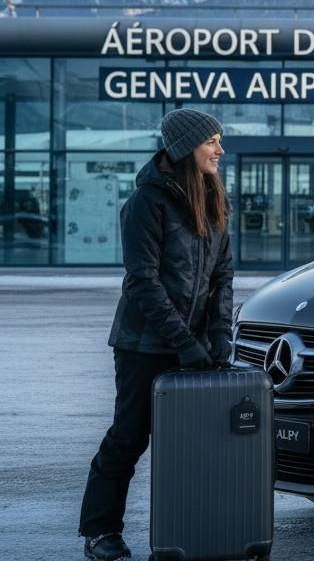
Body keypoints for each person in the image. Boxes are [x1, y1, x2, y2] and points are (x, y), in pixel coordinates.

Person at [78, 109, 233, 561]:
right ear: (187, 147)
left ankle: (191, 528)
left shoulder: (213, 196)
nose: (220, 150)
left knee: (196, 445)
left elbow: (223, 276)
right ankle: (100, 531)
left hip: (199, 347)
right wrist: (182, 341)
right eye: (212, 142)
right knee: (130, 436)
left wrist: (219, 334)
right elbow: (142, 281)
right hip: (144, 345)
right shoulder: (147, 202)